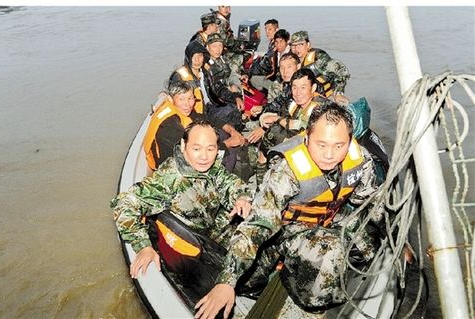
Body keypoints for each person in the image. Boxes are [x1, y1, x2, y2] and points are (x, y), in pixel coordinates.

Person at [195, 102, 385, 319]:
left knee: (368, 243)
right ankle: (297, 287)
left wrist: (398, 241)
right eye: (321, 145)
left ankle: (319, 287)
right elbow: (258, 223)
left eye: (338, 145)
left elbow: (374, 204)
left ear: (350, 141)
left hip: (329, 221)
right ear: (307, 139)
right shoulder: (286, 172)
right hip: (284, 233)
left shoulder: (361, 160)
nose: (330, 155)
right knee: (249, 283)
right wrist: (226, 281)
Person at [113, 120, 253, 307]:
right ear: (183, 145)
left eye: (210, 149)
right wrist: (143, 246)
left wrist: (241, 197)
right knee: (254, 276)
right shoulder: (169, 179)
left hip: (216, 229)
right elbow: (123, 204)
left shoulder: (211, 166)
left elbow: (228, 181)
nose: (204, 156)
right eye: (197, 149)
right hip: (198, 250)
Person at [169, 40, 246, 172]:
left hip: (208, 110)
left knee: (234, 111)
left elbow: (219, 89)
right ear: (188, 57)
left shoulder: (205, 71)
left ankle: (233, 142)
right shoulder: (180, 77)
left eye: (201, 56)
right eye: (195, 56)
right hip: (192, 116)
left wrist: (236, 97)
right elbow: (176, 100)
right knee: (225, 138)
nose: (198, 60)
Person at [143, 80, 203, 172]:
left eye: (190, 98)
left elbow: (198, 117)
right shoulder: (169, 124)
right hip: (167, 168)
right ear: (171, 99)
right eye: (181, 99)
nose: (187, 104)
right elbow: (191, 150)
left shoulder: (178, 108)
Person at [290, 30, 350, 104]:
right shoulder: (291, 61)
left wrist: (338, 93)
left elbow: (342, 70)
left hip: (328, 99)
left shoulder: (319, 59)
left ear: (308, 45)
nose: (297, 49)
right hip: (305, 100)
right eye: (294, 46)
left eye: (300, 44)